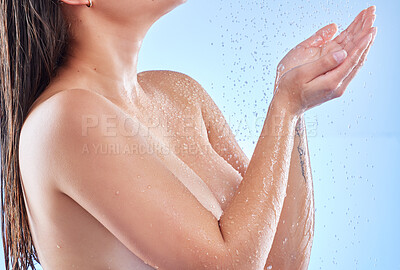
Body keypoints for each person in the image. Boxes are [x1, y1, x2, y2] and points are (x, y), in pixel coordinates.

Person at [0, 0, 377, 268]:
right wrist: (284, 108)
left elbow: (281, 261)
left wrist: (295, 106)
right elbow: (227, 267)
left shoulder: (181, 95)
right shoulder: (65, 120)